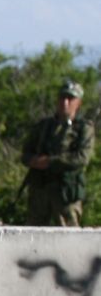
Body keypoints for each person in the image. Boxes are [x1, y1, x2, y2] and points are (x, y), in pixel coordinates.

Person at [22, 80, 94, 227]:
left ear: (78, 103)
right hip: (40, 192)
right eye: (62, 98)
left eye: (70, 99)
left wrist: (50, 162)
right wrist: (34, 161)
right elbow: (26, 153)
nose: (65, 102)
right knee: (32, 237)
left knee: (67, 239)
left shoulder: (83, 128)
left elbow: (82, 158)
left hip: (65, 193)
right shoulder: (44, 126)